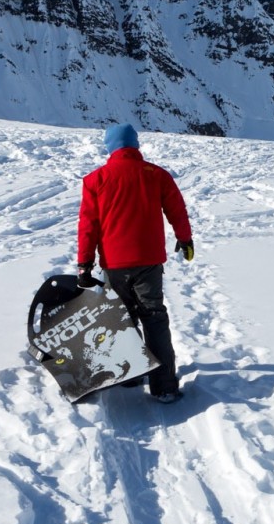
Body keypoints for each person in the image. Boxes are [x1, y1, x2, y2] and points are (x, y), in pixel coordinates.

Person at [76, 123, 194, 402]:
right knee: (154, 319)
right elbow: (177, 209)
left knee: (122, 320)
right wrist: (185, 239)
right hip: (149, 262)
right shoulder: (157, 175)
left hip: (114, 265)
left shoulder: (96, 179)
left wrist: (84, 265)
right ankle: (164, 386)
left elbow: (88, 226)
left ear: (110, 147)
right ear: (135, 145)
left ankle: (130, 375)